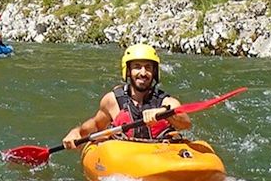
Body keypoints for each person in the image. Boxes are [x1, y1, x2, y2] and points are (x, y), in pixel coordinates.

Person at [61, 44, 191, 149]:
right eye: (137, 67)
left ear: (154, 72)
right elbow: (96, 125)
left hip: (160, 154)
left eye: (148, 67)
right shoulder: (113, 101)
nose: (143, 73)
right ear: (128, 71)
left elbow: (185, 123)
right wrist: (76, 132)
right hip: (125, 156)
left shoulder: (167, 102)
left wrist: (164, 112)